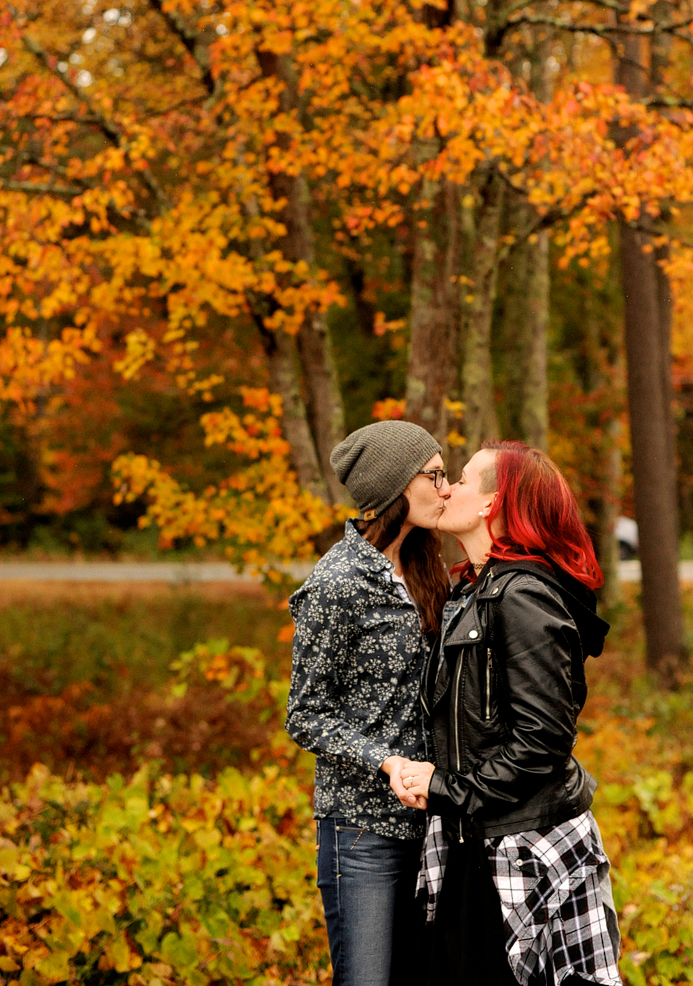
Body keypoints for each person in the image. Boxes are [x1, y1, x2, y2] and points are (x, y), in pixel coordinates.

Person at [400, 441, 621, 986]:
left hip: (525, 845)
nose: (446, 487)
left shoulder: (522, 596)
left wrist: (444, 788)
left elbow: (541, 744)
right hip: (475, 837)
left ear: (491, 506)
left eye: (464, 479)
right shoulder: (472, 590)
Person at [285, 419, 452, 986]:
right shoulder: (336, 583)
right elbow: (305, 713)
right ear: (398, 486)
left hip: (433, 822)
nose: (445, 487)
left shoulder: (429, 568)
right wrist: (387, 761)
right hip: (362, 833)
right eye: (434, 475)